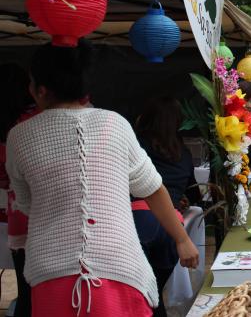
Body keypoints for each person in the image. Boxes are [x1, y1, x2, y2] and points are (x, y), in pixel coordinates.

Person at [5, 40, 199, 317]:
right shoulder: (114, 123)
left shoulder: (19, 136)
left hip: (51, 276)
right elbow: (153, 189)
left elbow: (25, 202)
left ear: (40, 90)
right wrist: (182, 240)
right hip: (119, 272)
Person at [133, 96, 202, 317]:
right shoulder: (183, 154)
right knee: (156, 293)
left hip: (138, 221)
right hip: (171, 227)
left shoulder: (138, 146)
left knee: (142, 295)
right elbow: (194, 195)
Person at [0, 63, 36, 317]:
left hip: (17, 219)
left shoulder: (5, 127)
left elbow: (3, 179)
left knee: (26, 294)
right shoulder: (36, 120)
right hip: (49, 216)